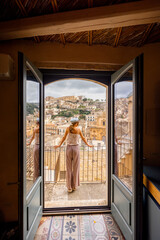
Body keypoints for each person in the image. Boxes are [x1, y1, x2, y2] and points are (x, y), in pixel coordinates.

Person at [54, 118, 93, 193]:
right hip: (76, 149)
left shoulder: (68, 129)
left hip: (68, 148)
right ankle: (74, 186)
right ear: (77, 123)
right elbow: (83, 138)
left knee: (68, 168)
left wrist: (59, 145)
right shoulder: (78, 129)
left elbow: (64, 138)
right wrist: (88, 144)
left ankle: (69, 187)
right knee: (75, 167)